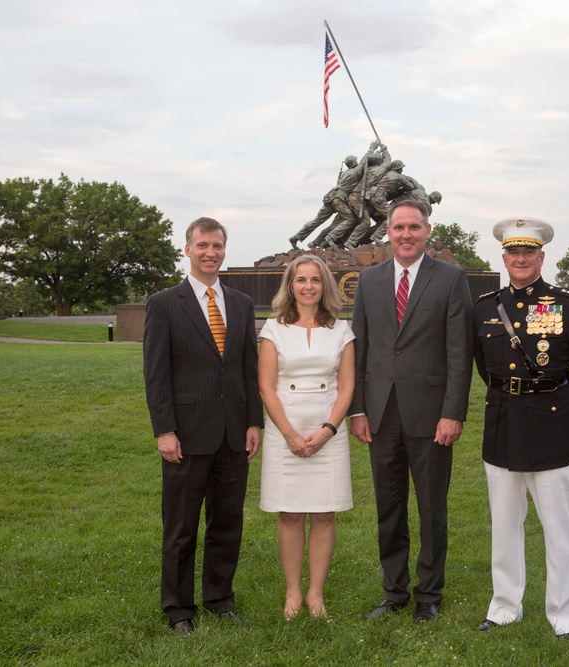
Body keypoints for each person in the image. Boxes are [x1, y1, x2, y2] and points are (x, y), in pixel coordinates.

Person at [472, 217, 569, 638]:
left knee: (559, 527)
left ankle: (565, 616)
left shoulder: (567, 304)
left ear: (542, 257)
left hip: (553, 425)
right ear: (504, 257)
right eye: (514, 252)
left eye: (528, 252)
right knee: (504, 525)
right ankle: (504, 607)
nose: (521, 258)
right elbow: (483, 365)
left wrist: (565, 409)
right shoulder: (485, 306)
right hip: (502, 423)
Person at [349, 199, 474, 623]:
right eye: (398, 227)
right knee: (389, 507)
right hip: (381, 414)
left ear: (427, 231)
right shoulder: (369, 281)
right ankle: (394, 591)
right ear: (387, 231)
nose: (405, 235)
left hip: (432, 415)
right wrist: (358, 410)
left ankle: (429, 594)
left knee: (431, 507)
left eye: (413, 227)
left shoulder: (452, 279)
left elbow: (460, 351)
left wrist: (453, 412)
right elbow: (360, 347)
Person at [143, 217, 264, 636]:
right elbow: (156, 373)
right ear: (188, 249)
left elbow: (249, 367)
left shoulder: (242, 304)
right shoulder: (164, 304)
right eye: (202, 245)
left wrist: (254, 422)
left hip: (234, 433)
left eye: (217, 245)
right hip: (186, 434)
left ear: (224, 250)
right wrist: (164, 430)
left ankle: (219, 598)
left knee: (227, 521)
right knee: (180, 527)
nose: (210, 252)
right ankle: (178, 608)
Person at [257, 255, 356, 619]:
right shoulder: (273, 329)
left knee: (325, 514)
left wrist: (328, 430)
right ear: (291, 285)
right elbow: (267, 388)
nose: (309, 286)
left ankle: (316, 594)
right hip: (286, 430)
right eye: (301, 280)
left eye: (315, 280)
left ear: (325, 285)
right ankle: (293, 593)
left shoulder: (342, 330)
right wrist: (289, 435)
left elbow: (346, 386)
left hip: (328, 428)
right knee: (290, 515)